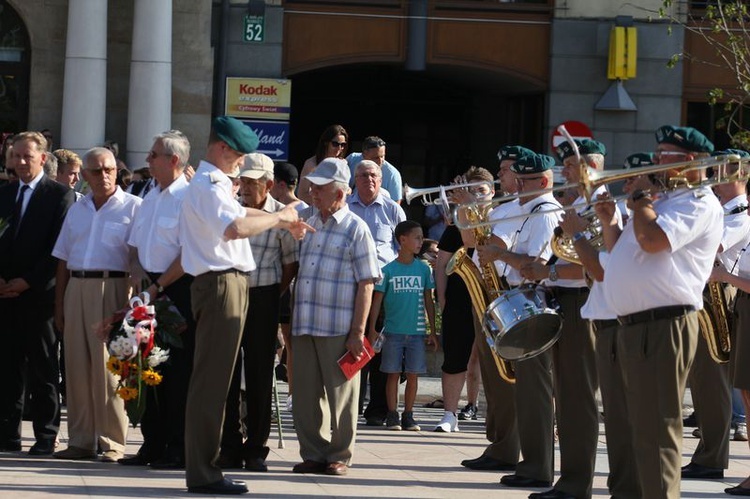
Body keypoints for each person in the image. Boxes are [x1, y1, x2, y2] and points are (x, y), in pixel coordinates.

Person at [179, 116, 307, 495]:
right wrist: (281, 217)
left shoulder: (212, 183)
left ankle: (206, 467)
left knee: (215, 383)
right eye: (237, 157)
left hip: (225, 284)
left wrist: (281, 221)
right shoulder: (209, 184)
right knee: (212, 385)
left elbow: (241, 215)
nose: (239, 165)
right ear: (221, 148)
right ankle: (203, 472)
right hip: (221, 284)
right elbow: (234, 228)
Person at [596, 125, 722, 499]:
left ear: (687, 162)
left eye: (662, 156)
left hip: (664, 323)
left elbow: (653, 243)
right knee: (636, 429)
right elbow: (622, 252)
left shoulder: (697, 201)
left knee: (657, 431)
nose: (653, 162)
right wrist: (609, 221)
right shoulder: (662, 201)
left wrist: (638, 200)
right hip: (635, 325)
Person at [517, 139, 613, 499]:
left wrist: (549, 273)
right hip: (569, 302)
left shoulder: (598, 205)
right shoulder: (582, 204)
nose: (564, 173)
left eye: (570, 167)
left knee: (576, 397)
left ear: (588, 167)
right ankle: (570, 479)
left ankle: (576, 483)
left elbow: (595, 266)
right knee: (569, 396)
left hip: (582, 303)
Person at [476, 153, 561, 491]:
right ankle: (532, 463)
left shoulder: (543, 213)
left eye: (524, 181)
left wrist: (500, 255)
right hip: (524, 301)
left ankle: (539, 466)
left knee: (536, 391)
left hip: (533, 301)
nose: (516, 185)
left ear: (542, 182)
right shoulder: (531, 210)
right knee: (527, 390)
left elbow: (537, 264)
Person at [291, 158, 380, 476]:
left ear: (339, 193)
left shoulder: (357, 229)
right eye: (312, 186)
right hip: (305, 322)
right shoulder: (310, 222)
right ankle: (313, 453)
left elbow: (367, 282)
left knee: (342, 395)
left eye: (319, 188)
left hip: (338, 326)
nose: (312, 192)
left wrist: (358, 331)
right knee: (304, 393)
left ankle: (339, 455)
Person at [52, 147, 142, 462]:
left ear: (116, 172)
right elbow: (62, 259)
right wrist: (59, 304)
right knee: (76, 366)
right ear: (86, 176)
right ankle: (80, 440)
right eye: (96, 171)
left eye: (108, 170)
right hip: (76, 286)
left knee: (111, 369)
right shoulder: (76, 209)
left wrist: (132, 304)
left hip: (115, 287)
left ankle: (113, 442)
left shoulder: (134, 207)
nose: (103, 176)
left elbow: (137, 258)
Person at [218, 152, 298, 473]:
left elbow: (290, 265)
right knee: (226, 372)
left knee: (261, 374)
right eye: (242, 181)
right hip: (229, 295)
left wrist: (272, 296)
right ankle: (229, 445)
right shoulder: (230, 208)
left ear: (269, 184)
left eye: (252, 182)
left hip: (265, 296)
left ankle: (256, 448)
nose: (245, 187)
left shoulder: (283, 216)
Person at [120, 130, 195, 470]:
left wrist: (158, 287)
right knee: (146, 367)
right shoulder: (150, 193)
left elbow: (187, 254)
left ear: (174, 161)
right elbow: (136, 244)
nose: (147, 160)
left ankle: (177, 446)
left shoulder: (189, 198)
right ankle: (152, 443)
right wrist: (138, 277)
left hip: (177, 289)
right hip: (148, 288)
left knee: (177, 373)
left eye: (153, 155)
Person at [0, 131, 75, 455]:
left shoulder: (59, 195)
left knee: (44, 369)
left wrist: (27, 281)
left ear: (42, 158)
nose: (19, 162)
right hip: (4, 296)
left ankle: (45, 435)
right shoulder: (3, 194)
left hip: (40, 297)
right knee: (6, 368)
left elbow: (57, 250)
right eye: (14, 156)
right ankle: (7, 435)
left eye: (25, 156)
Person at [459, 147, 532, 470]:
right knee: (493, 375)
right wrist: (464, 207)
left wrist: (469, 207)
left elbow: (486, 245)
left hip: (506, 293)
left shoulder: (516, 209)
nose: (500, 175)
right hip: (486, 291)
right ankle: (499, 443)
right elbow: (468, 240)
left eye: (505, 170)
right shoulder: (504, 210)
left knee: (506, 377)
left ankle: (508, 446)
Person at [681, 149, 750, 482]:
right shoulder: (721, 211)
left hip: (723, 295)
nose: (714, 183)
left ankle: (712, 457)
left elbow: (710, 248)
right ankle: (707, 452)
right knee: (701, 380)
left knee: (713, 381)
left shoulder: (741, 214)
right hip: (705, 294)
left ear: (739, 177)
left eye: (721, 176)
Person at [347, 159, 406, 425]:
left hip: (384, 292)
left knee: (381, 350)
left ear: (381, 181)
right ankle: (351, 406)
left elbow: (404, 250)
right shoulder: (345, 208)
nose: (368, 180)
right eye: (363, 175)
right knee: (352, 346)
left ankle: (378, 410)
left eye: (373, 176)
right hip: (352, 288)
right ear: (354, 180)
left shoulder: (393, 211)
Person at [370, 220, 437, 432]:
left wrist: (432, 331)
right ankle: (392, 414)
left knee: (413, 374)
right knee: (392, 373)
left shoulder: (424, 270)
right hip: (392, 332)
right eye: (417, 238)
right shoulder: (388, 270)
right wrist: (371, 328)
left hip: (416, 332)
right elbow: (377, 301)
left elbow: (429, 300)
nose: (421, 242)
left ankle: (409, 415)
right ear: (402, 240)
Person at [297, 124, 349, 205]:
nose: (339, 148)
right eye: (335, 144)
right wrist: (323, 202)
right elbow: (302, 194)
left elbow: (347, 189)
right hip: (315, 210)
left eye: (343, 145)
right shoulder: (311, 164)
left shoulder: (343, 163)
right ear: (326, 143)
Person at [346, 136, 403, 203]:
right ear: (364, 155)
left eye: (382, 156)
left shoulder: (392, 175)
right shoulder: (352, 159)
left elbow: (395, 205)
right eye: (376, 158)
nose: (380, 161)